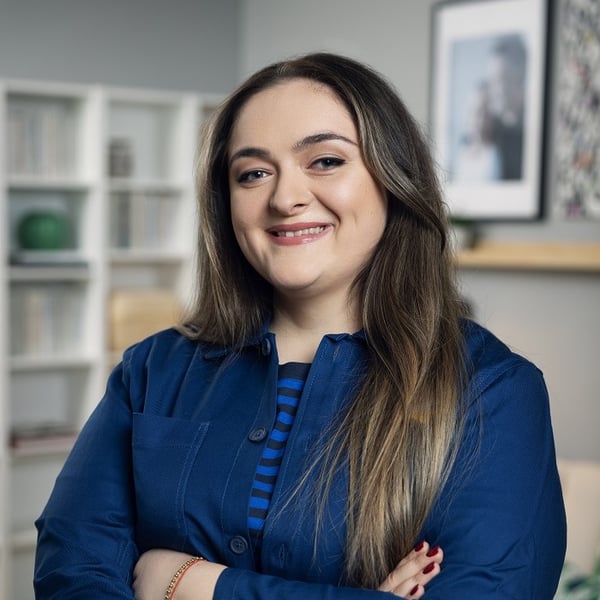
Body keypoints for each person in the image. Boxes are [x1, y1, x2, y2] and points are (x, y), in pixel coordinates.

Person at [34, 52, 566, 599]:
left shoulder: (492, 390)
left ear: (393, 179)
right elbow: (71, 571)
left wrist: (192, 584)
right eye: (254, 173)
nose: (285, 198)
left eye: (326, 161)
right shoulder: (151, 371)